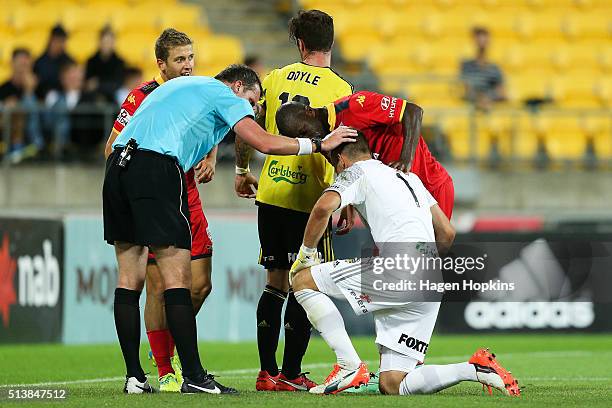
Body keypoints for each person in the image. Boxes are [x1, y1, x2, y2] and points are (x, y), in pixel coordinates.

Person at [103, 64, 356, 395]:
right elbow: (263, 141)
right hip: (155, 168)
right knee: (179, 278)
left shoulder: (181, 89)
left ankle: (134, 377)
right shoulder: (225, 94)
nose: (251, 110)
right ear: (239, 86)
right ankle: (194, 376)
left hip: (118, 166)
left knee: (128, 279)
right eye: (252, 101)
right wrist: (319, 144)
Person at [289, 133, 520, 397]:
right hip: (431, 274)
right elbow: (447, 232)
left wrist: (306, 254)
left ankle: (348, 366)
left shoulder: (357, 172)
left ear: (341, 160)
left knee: (302, 280)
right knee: (393, 383)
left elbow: (322, 209)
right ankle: (474, 370)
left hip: (400, 265)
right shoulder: (409, 177)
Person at [233, 9, 353, 392]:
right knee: (306, 283)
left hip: (272, 192)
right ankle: (291, 373)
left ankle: (267, 373)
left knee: (275, 282)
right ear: (330, 42)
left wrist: (241, 170)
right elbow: (346, 152)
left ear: (300, 44)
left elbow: (246, 126)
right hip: (311, 200)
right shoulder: (341, 90)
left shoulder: (274, 77)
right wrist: (346, 201)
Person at [104, 28, 216, 393]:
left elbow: (213, 125)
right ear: (161, 64)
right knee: (157, 284)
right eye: (180, 60)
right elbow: (112, 147)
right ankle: (167, 369)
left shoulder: (195, 91)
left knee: (199, 284)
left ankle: (173, 351)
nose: (188, 66)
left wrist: (211, 155)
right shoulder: (142, 96)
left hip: (188, 195)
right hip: (157, 193)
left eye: (190, 58)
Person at [275, 90, 455, 220]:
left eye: (305, 131)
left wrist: (405, 159)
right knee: (398, 266)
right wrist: (348, 204)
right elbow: (345, 168)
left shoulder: (355, 106)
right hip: (395, 197)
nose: (310, 139)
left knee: (425, 261)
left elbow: (413, 111)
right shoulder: (323, 141)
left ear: (309, 111)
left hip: (429, 186)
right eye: (302, 138)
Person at [44, 61, 103, 159]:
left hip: (83, 143)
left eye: (77, 75)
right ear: (63, 78)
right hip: (56, 137)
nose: (75, 78)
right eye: (71, 75)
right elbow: (47, 120)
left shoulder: (91, 98)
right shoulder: (54, 95)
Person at [0, 48, 43, 161]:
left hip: (33, 126)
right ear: (12, 64)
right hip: (10, 126)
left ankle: (35, 144)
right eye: (20, 64)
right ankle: (21, 148)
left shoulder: (39, 87)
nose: (22, 69)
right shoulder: (4, 88)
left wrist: (29, 91)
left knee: (29, 101)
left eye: (26, 65)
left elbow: (42, 107)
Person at [460, 27, 506, 111]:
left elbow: (502, 93)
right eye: (479, 40)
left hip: (491, 108)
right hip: (472, 107)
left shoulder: (495, 68)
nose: (481, 43)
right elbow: (466, 90)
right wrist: (480, 98)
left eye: (484, 40)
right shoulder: (466, 66)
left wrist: (488, 99)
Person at [85, 25, 126, 103]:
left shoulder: (119, 62)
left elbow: (118, 84)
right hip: (94, 98)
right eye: (104, 42)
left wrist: (98, 84)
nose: (106, 45)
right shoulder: (91, 61)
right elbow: (88, 84)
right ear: (99, 42)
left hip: (113, 98)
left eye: (109, 42)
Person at [34, 24, 75, 99]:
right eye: (59, 41)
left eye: (63, 41)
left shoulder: (69, 61)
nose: (61, 44)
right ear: (51, 40)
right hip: (43, 100)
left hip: (66, 99)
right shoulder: (40, 62)